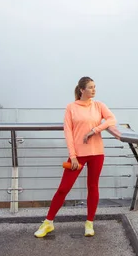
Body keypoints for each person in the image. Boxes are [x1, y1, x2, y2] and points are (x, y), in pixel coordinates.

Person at [34, 77, 117, 238]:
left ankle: (89, 223)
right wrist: (72, 156)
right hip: (78, 155)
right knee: (63, 188)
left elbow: (112, 120)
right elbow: (68, 133)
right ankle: (48, 222)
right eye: (90, 87)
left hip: (97, 153)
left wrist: (95, 130)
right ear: (81, 90)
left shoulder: (99, 105)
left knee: (93, 186)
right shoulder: (71, 107)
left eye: (95, 87)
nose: (94, 90)